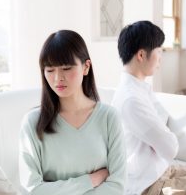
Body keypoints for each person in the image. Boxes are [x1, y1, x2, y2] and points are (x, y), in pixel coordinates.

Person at [112, 20, 186, 195]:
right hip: (148, 186)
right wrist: (161, 137)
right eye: (159, 51)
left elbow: (162, 121)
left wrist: (160, 137)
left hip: (160, 171)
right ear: (141, 55)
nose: (161, 57)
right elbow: (170, 147)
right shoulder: (131, 99)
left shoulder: (138, 88)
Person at [19, 30, 126, 195]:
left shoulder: (108, 117)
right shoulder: (32, 123)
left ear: (86, 67)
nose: (57, 78)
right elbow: (32, 189)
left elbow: (117, 186)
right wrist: (90, 180)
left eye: (66, 68)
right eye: (50, 70)